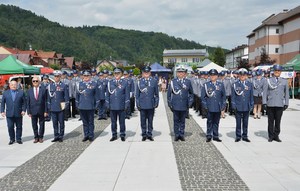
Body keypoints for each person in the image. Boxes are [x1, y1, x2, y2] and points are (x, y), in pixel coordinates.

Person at [263, 65, 289, 142]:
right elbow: (265, 93)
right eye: (276, 71)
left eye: (278, 71)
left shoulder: (284, 81)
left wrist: (286, 103)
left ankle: (276, 135)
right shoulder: (268, 80)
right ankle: (270, 136)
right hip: (270, 104)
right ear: (273, 72)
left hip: (280, 104)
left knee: (278, 121)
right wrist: (264, 102)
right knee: (270, 121)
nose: (277, 72)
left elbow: (286, 93)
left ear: (280, 72)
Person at [167, 66, 193, 141]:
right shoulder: (173, 82)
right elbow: (169, 94)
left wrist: (190, 103)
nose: (181, 74)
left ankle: (181, 134)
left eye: (182, 72)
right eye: (179, 72)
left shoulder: (188, 82)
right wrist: (169, 103)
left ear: (185, 73)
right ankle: (176, 134)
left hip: (184, 104)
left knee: (182, 121)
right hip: (175, 104)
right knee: (176, 120)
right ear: (177, 73)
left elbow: (191, 93)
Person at [201, 69, 226, 142]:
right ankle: (209, 135)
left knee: (216, 122)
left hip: (218, 106)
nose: (212, 76)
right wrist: (205, 105)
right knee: (209, 121)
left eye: (214, 75)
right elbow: (203, 97)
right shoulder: (206, 85)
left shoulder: (221, 85)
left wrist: (223, 104)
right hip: (210, 106)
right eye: (211, 75)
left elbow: (223, 96)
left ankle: (215, 135)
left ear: (217, 76)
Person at [106, 68, 130, 142]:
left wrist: (126, 105)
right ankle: (114, 135)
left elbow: (127, 95)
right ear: (113, 74)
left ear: (121, 74)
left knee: (122, 122)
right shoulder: (110, 82)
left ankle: (122, 134)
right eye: (115, 73)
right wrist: (107, 104)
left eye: (118, 73)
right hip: (112, 106)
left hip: (121, 105)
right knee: (113, 122)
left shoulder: (125, 82)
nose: (116, 75)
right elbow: (107, 95)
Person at [136, 66, 159, 141]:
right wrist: (138, 104)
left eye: (147, 72)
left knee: (150, 120)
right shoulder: (139, 81)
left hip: (151, 104)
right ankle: (144, 134)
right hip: (142, 105)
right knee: (143, 121)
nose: (146, 73)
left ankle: (149, 134)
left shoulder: (154, 81)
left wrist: (156, 103)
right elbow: (137, 95)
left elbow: (156, 94)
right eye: (145, 72)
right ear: (142, 73)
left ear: (150, 73)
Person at [231, 69, 253, 142]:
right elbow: (233, 96)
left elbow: (251, 95)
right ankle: (238, 136)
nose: (242, 76)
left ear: (246, 76)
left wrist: (251, 104)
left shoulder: (249, 84)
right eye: (241, 75)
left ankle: (245, 136)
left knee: (245, 122)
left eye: (244, 75)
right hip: (238, 105)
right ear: (238, 75)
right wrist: (233, 104)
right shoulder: (235, 84)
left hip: (246, 105)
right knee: (238, 122)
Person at [1, 80, 26, 145]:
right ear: (9, 85)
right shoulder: (6, 93)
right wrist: (2, 111)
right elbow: (3, 103)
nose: (13, 86)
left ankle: (18, 139)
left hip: (19, 112)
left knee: (19, 127)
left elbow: (24, 102)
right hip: (9, 113)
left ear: (17, 85)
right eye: (12, 85)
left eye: (15, 84)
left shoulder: (21, 92)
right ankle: (12, 139)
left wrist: (23, 110)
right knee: (10, 127)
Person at [76, 71, 99, 142]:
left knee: (91, 122)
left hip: (90, 106)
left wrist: (96, 105)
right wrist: (77, 105)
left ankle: (91, 135)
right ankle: (86, 135)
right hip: (82, 106)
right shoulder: (79, 84)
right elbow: (77, 96)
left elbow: (97, 95)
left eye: (87, 75)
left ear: (90, 76)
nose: (86, 77)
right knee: (84, 122)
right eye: (85, 75)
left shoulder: (94, 84)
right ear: (83, 76)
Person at [47, 70, 69, 142]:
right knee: (54, 123)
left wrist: (65, 106)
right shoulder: (50, 86)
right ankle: (56, 136)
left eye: (58, 76)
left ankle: (61, 136)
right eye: (55, 76)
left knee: (61, 123)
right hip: (53, 107)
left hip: (60, 107)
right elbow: (48, 98)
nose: (56, 78)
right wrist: (49, 106)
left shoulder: (63, 85)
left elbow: (66, 97)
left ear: (60, 77)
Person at [27, 76, 48, 143]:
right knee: (34, 125)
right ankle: (36, 137)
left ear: (39, 82)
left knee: (42, 124)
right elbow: (28, 102)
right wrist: (28, 111)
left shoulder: (43, 89)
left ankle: (41, 137)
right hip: (33, 110)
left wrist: (46, 111)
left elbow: (46, 101)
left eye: (36, 81)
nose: (35, 82)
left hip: (41, 110)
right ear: (32, 82)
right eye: (34, 81)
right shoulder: (29, 91)